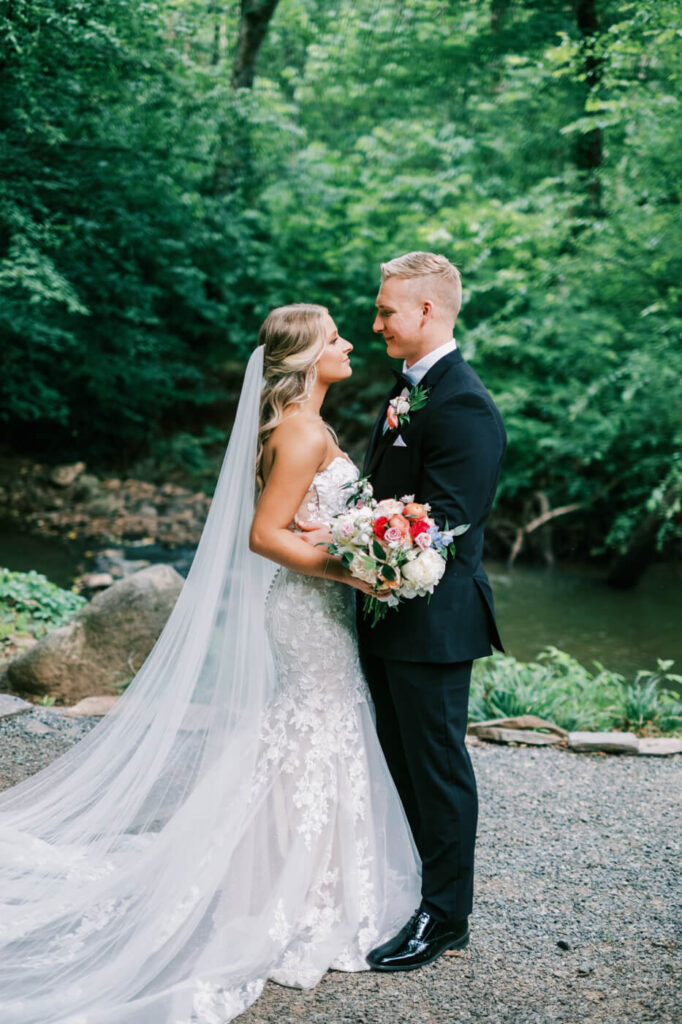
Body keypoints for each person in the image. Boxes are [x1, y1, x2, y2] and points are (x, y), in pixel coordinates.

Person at [0, 304, 419, 1024]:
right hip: (308, 611)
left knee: (320, 730)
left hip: (317, 608)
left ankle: (305, 880)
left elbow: (296, 522)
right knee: (312, 729)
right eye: (336, 336)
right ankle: (278, 890)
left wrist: (355, 542)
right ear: (308, 355)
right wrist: (352, 570)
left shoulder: (309, 426)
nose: (350, 343)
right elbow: (264, 535)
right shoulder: (296, 430)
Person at [359, 252, 507, 969]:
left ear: (426, 311)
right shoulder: (409, 391)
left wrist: (358, 548)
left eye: (387, 309)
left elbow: (444, 521)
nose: (377, 320)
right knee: (401, 762)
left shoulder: (464, 403)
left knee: (438, 768)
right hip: (388, 615)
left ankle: (445, 918)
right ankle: (416, 892)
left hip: (435, 623)